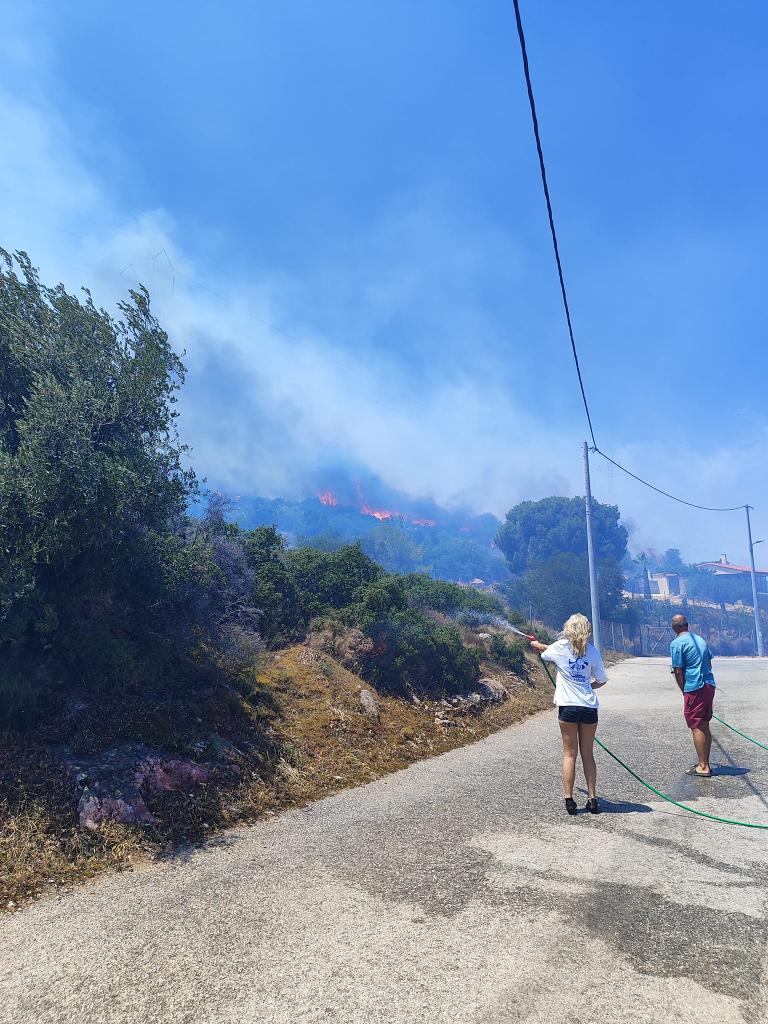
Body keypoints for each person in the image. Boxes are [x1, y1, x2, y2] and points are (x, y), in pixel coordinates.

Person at [531, 613, 608, 815]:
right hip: (589, 706)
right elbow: (602, 679)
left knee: (569, 753)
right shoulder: (592, 652)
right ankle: (592, 799)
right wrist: (588, 687)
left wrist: (537, 644)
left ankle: (569, 800)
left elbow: (546, 653)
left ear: (568, 629)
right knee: (588, 754)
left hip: (568, 707)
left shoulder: (560, 647)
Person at [669, 614, 716, 778]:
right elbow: (709, 662)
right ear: (687, 625)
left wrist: (684, 690)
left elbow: (678, 670)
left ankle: (703, 766)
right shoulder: (700, 640)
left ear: (674, 628)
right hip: (709, 684)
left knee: (696, 726)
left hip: (694, 687)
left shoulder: (677, 644)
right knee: (704, 724)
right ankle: (705, 762)